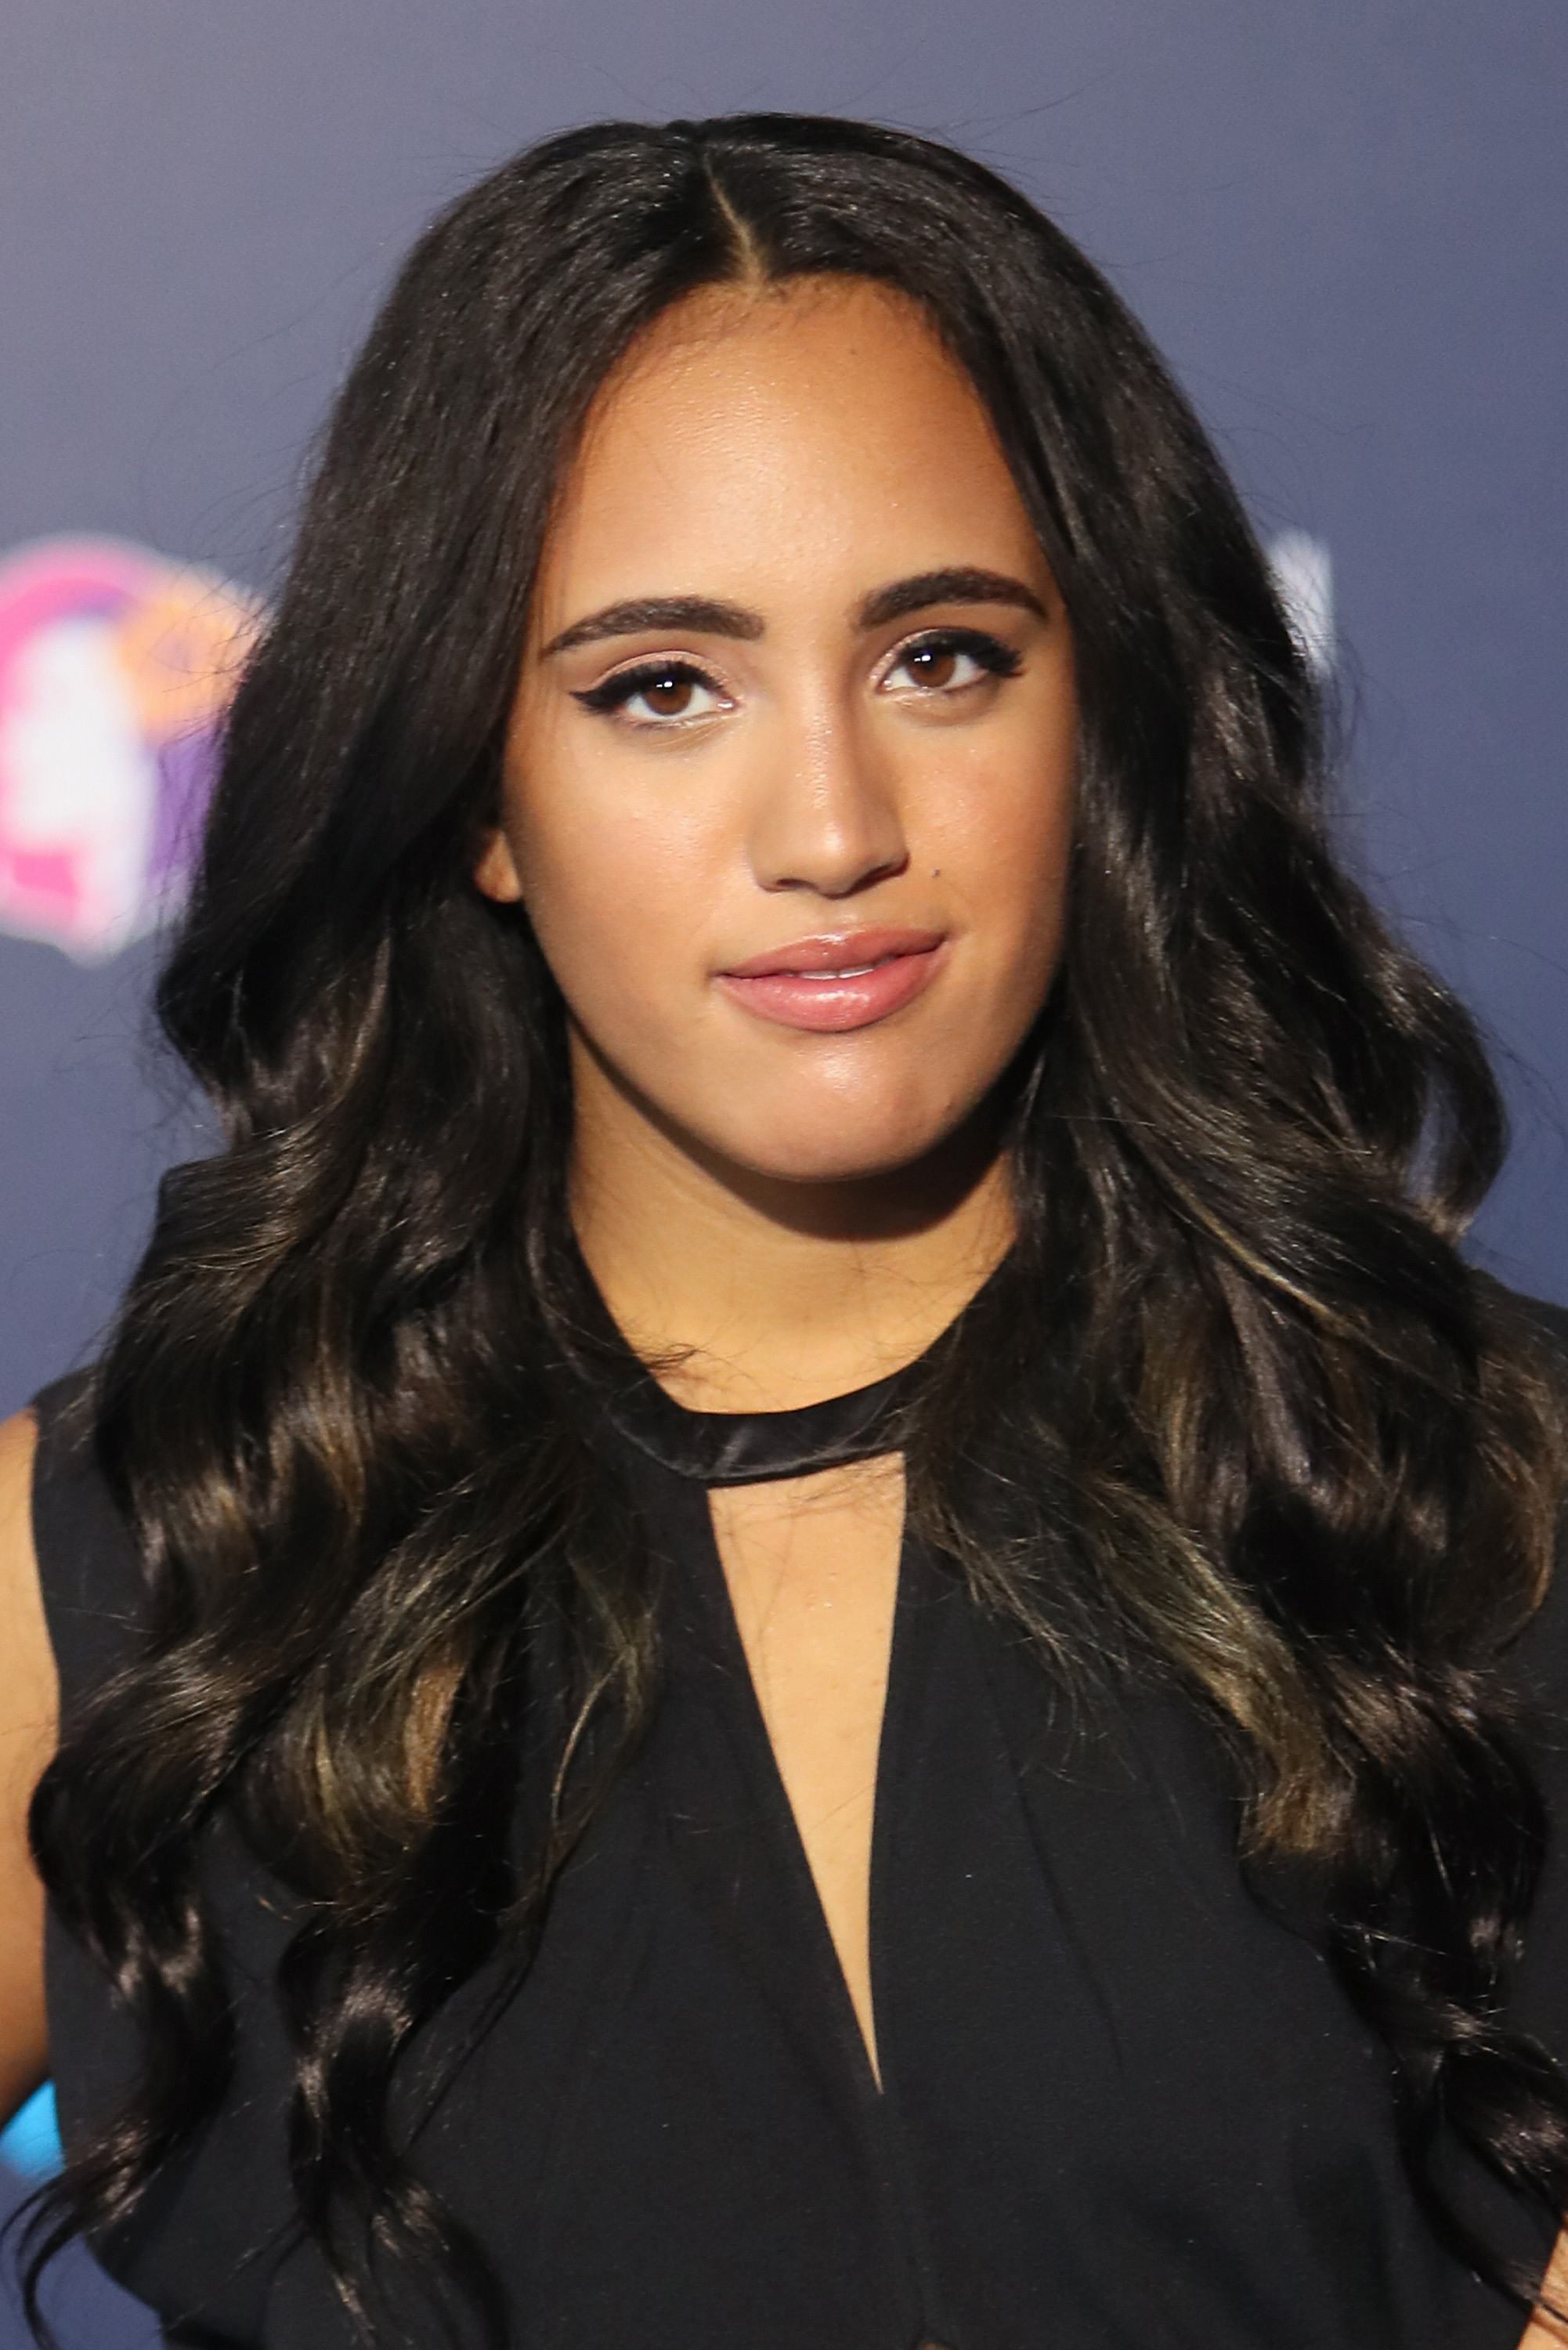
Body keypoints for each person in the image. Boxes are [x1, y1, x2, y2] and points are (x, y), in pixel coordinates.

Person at [1, 111, 1566, 2350]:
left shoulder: (1489, 1493)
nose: (831, 826)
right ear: (473, 796)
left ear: (1101, 708)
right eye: (660, 689)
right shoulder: (137, 1569)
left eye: (941, 658)